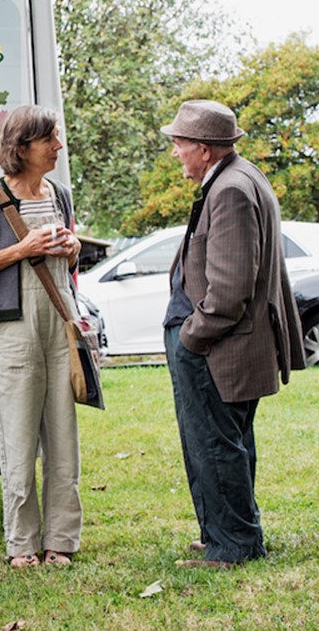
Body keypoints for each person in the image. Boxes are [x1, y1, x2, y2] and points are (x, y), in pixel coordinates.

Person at [159, 100, 305, 567]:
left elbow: (230, 290)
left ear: (203, 149)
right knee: (226, 443)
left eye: (179, 143)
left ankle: (233, 546)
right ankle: (226, 534)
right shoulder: (237, 177)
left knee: (216, 445)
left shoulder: (231, 189)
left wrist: (192, 337)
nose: (175, 152)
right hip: (224, 345)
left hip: (217, 346)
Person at [0, 104, 82, 568]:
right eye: (50, 138)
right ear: (23, 146)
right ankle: (22, 544)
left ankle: (62, 541)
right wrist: (22, 249)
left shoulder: (60, 194)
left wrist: (72, 249)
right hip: (13, 328)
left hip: (58, 321)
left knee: (63, 437)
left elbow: (68, 266)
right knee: (17, 440)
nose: (58, 146)